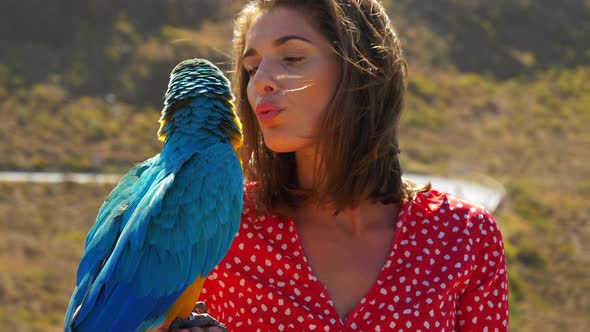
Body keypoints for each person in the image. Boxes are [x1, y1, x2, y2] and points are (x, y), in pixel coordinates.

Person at [180, 0, 509, 330]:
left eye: (292, 58)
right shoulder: (218, 229)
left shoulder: (463, 237)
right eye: (252, 68)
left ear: (360, 69)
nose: (260, 82)